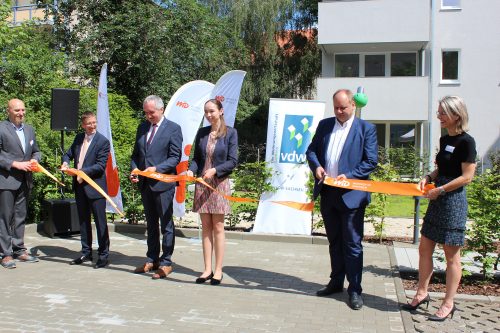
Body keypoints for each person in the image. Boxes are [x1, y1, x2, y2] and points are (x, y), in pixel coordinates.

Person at [402, 96, 476, 321]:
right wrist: (428, 177)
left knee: (452, 256)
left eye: (443, 113)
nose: (439, 117)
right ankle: (422, 293)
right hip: (437, 199)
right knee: (424, 248)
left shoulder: (467, 142)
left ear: (456, 115)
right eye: (439, 112)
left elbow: (467, 177)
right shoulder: (445, 139)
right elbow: (440, 167)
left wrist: (441, 189)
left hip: (452, 202)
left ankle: (448, 303)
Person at [306, 89, 378, 310]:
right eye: (336, 107)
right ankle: (336, 282)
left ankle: (355, 290)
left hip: (352, 196)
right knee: (334, 242)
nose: (339, 111)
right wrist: (316, 166)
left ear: (353, 106)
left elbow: (371, 160)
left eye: (343, 108)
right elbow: (311, 151)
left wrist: (351, 175)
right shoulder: (325, 125)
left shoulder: (366, 129)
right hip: (328, 194)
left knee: (352, 245)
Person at [186, 99, 238, 286]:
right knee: (205, 227)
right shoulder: (201, 133)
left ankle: (218, 270)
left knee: (218, 227)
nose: (208, 115)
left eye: (212, 111)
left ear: (221, 111)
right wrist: (191, 169)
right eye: (206, 112)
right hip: (202, 184)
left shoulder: (230, 133)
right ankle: (207, 269)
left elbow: (233, 161)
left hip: (219, 184)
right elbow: (197, 159)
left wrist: (215, 170)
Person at [131, 95, 182, 279]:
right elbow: (136, 155)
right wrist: (135, 170)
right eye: (146, 113)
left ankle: (166, 261)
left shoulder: (173, 129)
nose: (148, 116)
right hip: (145, 184)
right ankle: (152, 259)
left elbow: (175, 158)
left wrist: (156, 169)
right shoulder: (142, 128)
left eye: (151, 112)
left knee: (166, 224)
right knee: (151, 225)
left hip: (163, 184)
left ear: (161, 109)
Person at [61, 111, 111, 269]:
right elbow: (68, 154)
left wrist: (82, 172)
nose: (92, 126)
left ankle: (103, 255)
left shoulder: (102, 141)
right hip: (80, 187)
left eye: (94, 122)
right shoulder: (78, 138)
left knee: (100, 222)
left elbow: (100, 166)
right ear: (83, 125)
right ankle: (86, 252)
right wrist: (65, 163)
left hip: (95, 188)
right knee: (83, 221)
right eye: (89, 123)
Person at [0, 98, 41, 269]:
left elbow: (37, 151)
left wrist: (34, 160)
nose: (21, 113)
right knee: (4, 217)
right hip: (7, 180)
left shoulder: (29, 130)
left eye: (23, 110)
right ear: (8, 110)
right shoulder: (1, 128)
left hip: (25, 181)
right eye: (17, 110)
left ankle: (19, 249)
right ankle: (5, 254)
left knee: (20, 217)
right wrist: (14, 164)